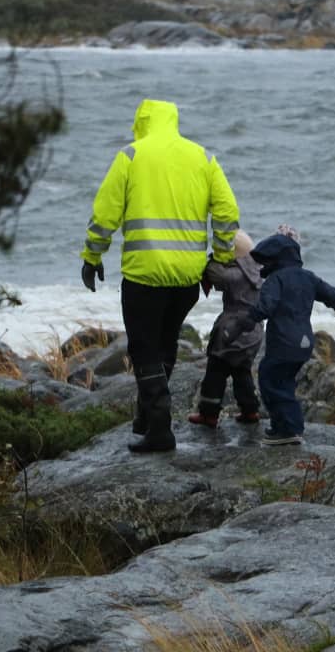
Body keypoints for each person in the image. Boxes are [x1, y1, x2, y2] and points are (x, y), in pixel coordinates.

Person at [80, 98, 240, 453]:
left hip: (144, 276)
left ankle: (159, 428)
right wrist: (222, 259)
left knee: (143, 348)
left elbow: (105, 213)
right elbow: (228, 211)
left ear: (142, 122)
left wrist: (92, 255)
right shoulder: (203, 157)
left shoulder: (132, 156)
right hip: (188, 279)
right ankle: (146, 418)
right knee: (166, 344)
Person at [227, 229, 335, 445]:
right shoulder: (308, 277)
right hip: (304, 343)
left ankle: (288, 429)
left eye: (266, 261)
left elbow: (265, 307)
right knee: (284, 381)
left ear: (276, 259)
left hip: (283, 342)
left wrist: (244, 323)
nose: (262, 266)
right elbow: (331, 294)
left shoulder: (276, 280)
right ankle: (286, 427)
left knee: (270, 380)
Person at [188, 230, 263, 427]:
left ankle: (209, 413)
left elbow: (215, 274)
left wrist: (214, 258)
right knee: (242, 371)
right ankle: (250, 410)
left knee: (216, 370)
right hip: (254, 330)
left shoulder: (233, 274)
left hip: (233, 329)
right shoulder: (259, 271)